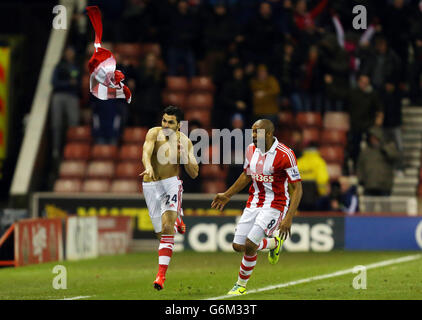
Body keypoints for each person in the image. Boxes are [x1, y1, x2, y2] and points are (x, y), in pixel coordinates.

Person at [211, 119, 302, 295]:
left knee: (251, 244)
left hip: (276, 204)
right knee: (238, 246)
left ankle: (240, 285)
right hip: (254, 202)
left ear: (268, 134)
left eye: (256, 132)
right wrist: (227, 195)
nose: (252, 136)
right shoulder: (251, 150)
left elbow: (298, 188)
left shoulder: (285, 154)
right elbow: (246, 175)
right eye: (252, 132)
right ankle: (275, 243)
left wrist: (289, 217)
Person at [140, 106, 199, 290]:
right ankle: (178, 218)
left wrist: (184, 157)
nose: (165, 125)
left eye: (170, 122)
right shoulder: (153, 133)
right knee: (161, 234)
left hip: (170, 184)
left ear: (179, 125)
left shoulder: (185, 142)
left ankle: (160, 276)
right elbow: (146, 153)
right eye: (164, 120)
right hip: (150, 185)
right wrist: (148, 166)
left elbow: (194, 173)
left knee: (167, 228)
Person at [50, 46, 80, 160]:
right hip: (59, 95)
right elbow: (54, 82)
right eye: (68, 52)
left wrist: (73, 84)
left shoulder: (76, 67)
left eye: (71, 52)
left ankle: (72, 150)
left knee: (73, 123)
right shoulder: (59, 66)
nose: (69, 54)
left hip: (72, 96)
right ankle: (56, 150)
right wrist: (68, 83)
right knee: (56, 124)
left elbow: (78, 83)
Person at [357, 126, 399, 196]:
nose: (373, 140)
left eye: (375, 137)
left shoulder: (388, 147)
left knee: (385, 206)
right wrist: (361, 179)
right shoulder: (365, 151)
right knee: (369, 206)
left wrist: (384, 148)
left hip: (384, 185)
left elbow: (394, 157)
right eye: (371, 137)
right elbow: (360, 166)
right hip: (369, 185)